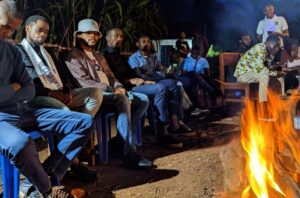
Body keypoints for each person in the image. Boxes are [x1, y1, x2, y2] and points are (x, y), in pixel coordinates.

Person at [0, 1, 94, 197]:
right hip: (2, 118)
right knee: (20, 143)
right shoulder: (18, 51)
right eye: (6, 26)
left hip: (23, 110)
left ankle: (41, 177)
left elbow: (29, 89)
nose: (9, 33)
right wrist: (14, 87)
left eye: (13, 29)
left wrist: (9, 90)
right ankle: (45, 189)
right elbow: (21, 87)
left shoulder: (11, 51)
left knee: (84, 122)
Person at [16, 15, 103, 183]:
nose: (43, 35)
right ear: (28, 29)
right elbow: (24, 83)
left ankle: (78, 137)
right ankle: (74, 161)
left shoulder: (46, 52)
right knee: (63, 111)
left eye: (46, 32)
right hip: (36, 98)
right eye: (39, 30)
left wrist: (67, 90)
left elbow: (61, 76)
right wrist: (50, 93)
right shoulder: (18, 51)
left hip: (56, 93)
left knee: (94, 93)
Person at [64, 19, 152, 169]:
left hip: (112, 93)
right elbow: (84, 82)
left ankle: (119, 141)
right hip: (94, 96)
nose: (92, 36)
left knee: (142, 99)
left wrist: (118, 86)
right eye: (88, 33)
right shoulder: (73, 56)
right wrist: (112, 90)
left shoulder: (98, 56)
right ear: (79, 35)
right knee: (122, 99)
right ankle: (129, 154)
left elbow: (111, 76)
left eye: (95, 34)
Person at [103, 27, 196, 149]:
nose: (119, 39)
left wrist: (143, 80)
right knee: (160, 89)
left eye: (121, 36)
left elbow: (134, 73)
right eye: (116, 36)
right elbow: (109, 77)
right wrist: (129, 80)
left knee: (172, 83)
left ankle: (174, 123)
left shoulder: (119, 55)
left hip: (136, 83)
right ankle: (162, 133)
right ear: (107, 38)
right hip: (126, 88)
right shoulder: (104, 56)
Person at [128, 34, 195, 138]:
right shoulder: (134, 58)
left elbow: (161, 69)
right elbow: (139, 75)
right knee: (170, 85)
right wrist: (159, 75)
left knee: (174, 83)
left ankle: (175, 123)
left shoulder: (153, 57)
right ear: (137, 44)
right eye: (144, 41)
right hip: (144, 83)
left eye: (149, 41)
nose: (147, 43)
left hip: (156, 80)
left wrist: (167, 70)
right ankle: (172, 123)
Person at [234, 35, 285, 102]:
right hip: (243, 75)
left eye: (278, 46)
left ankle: (281, 101)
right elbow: (262, 69)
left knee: (280, 77)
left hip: (254, 74)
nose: (277, 49)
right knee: (264, 76)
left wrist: (280, 69)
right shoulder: (259, 48)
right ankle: (263, 103)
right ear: (268, 43)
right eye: (276, 46)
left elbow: (269, 65)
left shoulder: (268, 52)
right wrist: (276, 73)